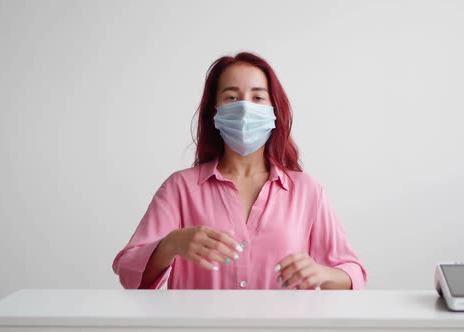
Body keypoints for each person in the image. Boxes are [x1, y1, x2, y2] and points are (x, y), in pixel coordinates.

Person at [112, 52, 366, 290]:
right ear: (215, 111)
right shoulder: (180, 189)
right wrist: (171, 244)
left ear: (273, 110)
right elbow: (127, 271)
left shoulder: (307, 191)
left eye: (257, 97)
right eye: (232, 97)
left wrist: (323, 273)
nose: (245, 108)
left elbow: (353, 272)